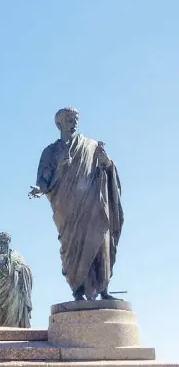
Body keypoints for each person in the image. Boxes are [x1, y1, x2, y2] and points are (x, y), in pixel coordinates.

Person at [29, 107, 124, 301]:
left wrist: (107, 163)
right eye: (69, 119)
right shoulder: (51, 151)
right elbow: (43, 179)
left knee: (100, 241)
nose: (74, 122)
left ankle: (104, 289)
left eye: (76, 118)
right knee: (72, 248)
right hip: (68, 208)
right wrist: (39, 188)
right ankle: (78, 290)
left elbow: (107, 169)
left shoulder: (92, 145)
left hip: (94, 204)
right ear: (59, 123)